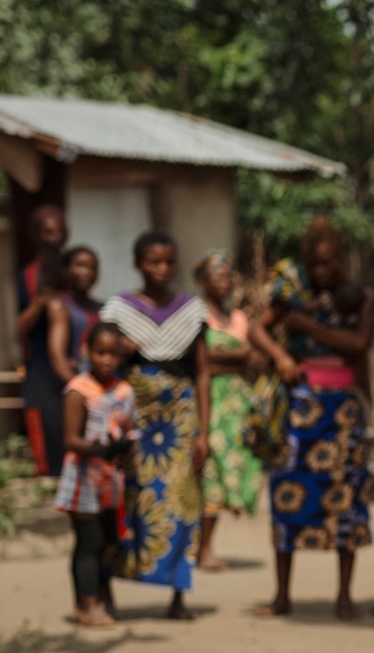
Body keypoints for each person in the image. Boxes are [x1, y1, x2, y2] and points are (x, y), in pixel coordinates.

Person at [250, 217, 374, 621]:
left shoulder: (357, 297)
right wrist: (282, 355)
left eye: (328, 264)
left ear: (340, 261)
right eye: (314, 264)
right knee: (288, 496)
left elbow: (358, 344)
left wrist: (307, 327)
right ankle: (282, 595)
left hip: (343, 412)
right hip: (300, 409)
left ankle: (344, 596)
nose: (321, 272)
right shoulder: (293, 293)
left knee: (345, 500)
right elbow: (258, 329)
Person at [100, 231, 210, 620]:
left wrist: (204, 431)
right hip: (134, 417)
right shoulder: (118, 310)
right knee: (127, 500)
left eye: (168, 261)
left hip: (179, 420)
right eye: (153, 262)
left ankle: (177, 595)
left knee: (182, 501)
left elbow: (201, 373)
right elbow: (99, 363)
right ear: (138, 264)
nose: (162, 269)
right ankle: (106, 590)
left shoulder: (190, 310)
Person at [53, 322, 135, 628]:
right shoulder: (77, 391)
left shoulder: (124, 391)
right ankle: (85, 605)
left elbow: (128, 430)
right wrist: (101, 450)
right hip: (83, 482)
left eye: (113, 354)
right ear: (87, 352)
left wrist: (125, 449)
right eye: (100, 353)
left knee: (106, 543)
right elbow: (71, 439)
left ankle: (102, 597)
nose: (106, 360)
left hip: (110, 483)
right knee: (88, 542)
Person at [194, 251, 264, 571]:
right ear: (203, 281)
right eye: (217, 277)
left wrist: (220, 357)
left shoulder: (237, 318)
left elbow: (252, 359)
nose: (223, 283)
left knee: (228, 473)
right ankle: (202, 548)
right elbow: (202, 362)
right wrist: (230, 357)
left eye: (227, 277)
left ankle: (205, 546)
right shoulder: (195, 315)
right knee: (209, 473)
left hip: (236, 406)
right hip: (208, 402)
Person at [17, 205, 69, 475]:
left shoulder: (73, 270)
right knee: (51, 458)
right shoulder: (28, 277)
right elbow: (20, 328)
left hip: (74, 372)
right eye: (49, 232)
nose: (56, 238)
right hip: (42, 375)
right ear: (37, 236)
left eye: (60, 231)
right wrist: (40, 301)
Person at [46, 247, 103, 387]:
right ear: (65, 270)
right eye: (80, 266)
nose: (87, 272)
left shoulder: (101, 307)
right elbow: (58, 357)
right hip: (75, 384)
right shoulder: (60, 305)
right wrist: (79, 389)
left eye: (93, 268)